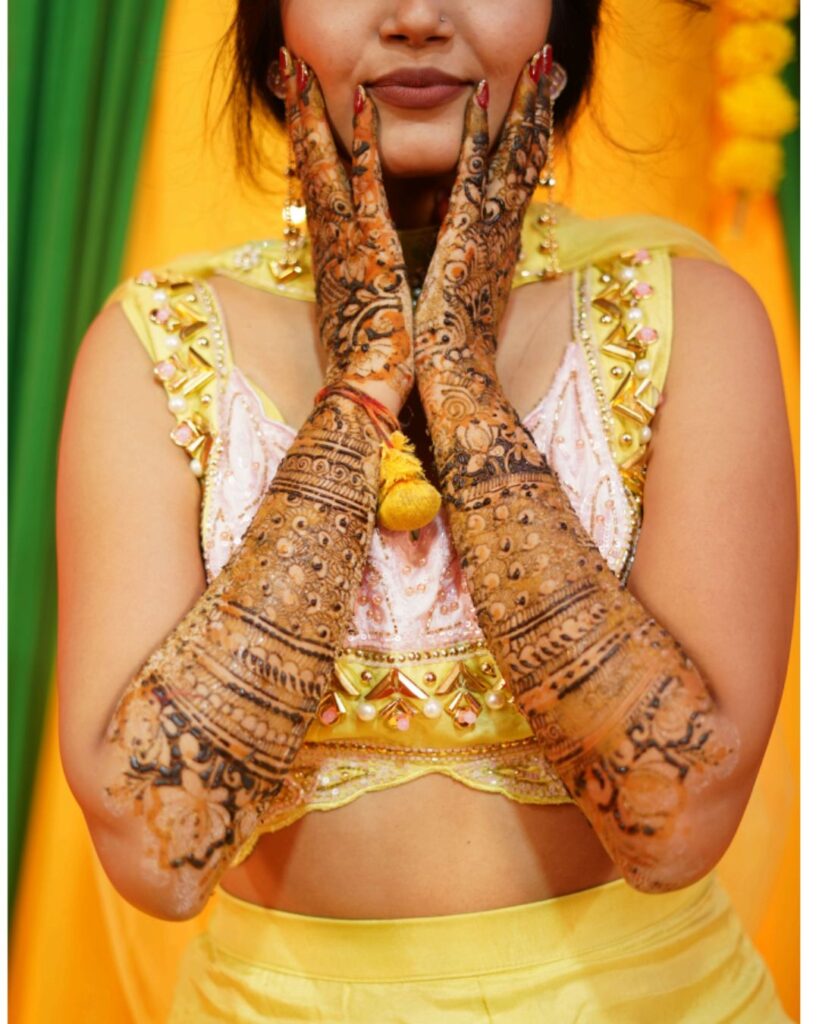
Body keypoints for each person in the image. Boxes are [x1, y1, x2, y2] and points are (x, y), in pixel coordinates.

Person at [56, 2, 797, 1020]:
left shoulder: (686, 317)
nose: (415, 16)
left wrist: (459, 378)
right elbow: (155, 852)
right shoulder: (158, 343)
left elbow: (674, 827)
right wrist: (363, 390)